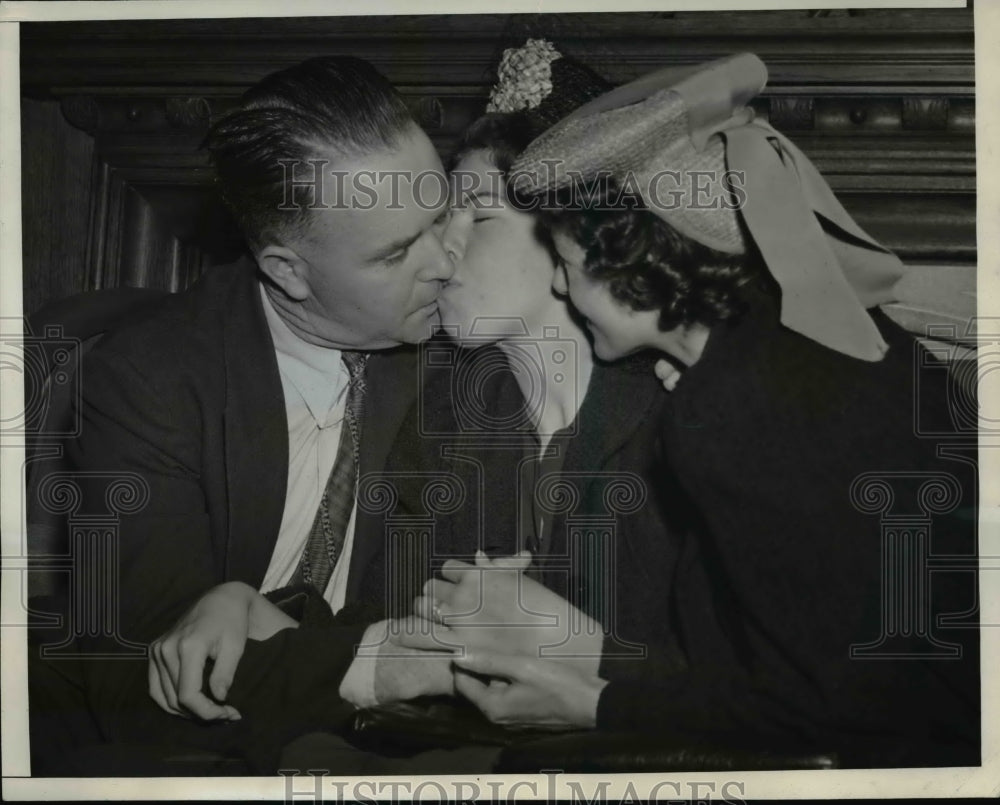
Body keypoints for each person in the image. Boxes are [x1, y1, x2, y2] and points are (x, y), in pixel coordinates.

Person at [424, 53, 980, 768]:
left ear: (624, 261)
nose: (561, 287)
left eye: (566, 260)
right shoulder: (816, 332)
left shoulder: (721, 410)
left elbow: (824, 710)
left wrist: (587, 701)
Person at [28, 55, 474, 776]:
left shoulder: (466, 346)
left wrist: (271, 622)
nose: (447, 264)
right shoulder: (147, 377)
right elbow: (148, 680)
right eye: (397, 253)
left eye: (441, 214)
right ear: (287, 270)